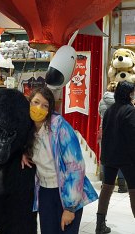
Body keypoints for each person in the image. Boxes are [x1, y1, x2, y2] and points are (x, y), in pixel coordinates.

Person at [22, 86, 98, 234]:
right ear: (29, 102)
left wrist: (70, 208)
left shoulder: (60, 127)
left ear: (50, 109)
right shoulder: (27, 127)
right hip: (45, 192)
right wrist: (24, 153)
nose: (39, 108)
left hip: (66, 192)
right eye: (36, 102)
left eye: (45, 105)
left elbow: (76, 167)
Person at [96, 81, 135, 234]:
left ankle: (100, 225)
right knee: (133, 190)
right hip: (127, 158)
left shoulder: (110, 110)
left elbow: (105, 132)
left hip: (109, 155)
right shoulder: (130, 111)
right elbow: (132, 137)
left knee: (106, 188)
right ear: (128, 93)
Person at [98, 81, 127, 193]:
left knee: (106, 158)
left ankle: (105, 184)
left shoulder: (102, 100)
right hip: (119, 133)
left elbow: (100, 114)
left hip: (105, 132)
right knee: (120, 158)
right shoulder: (122, 103)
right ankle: (122, 185)